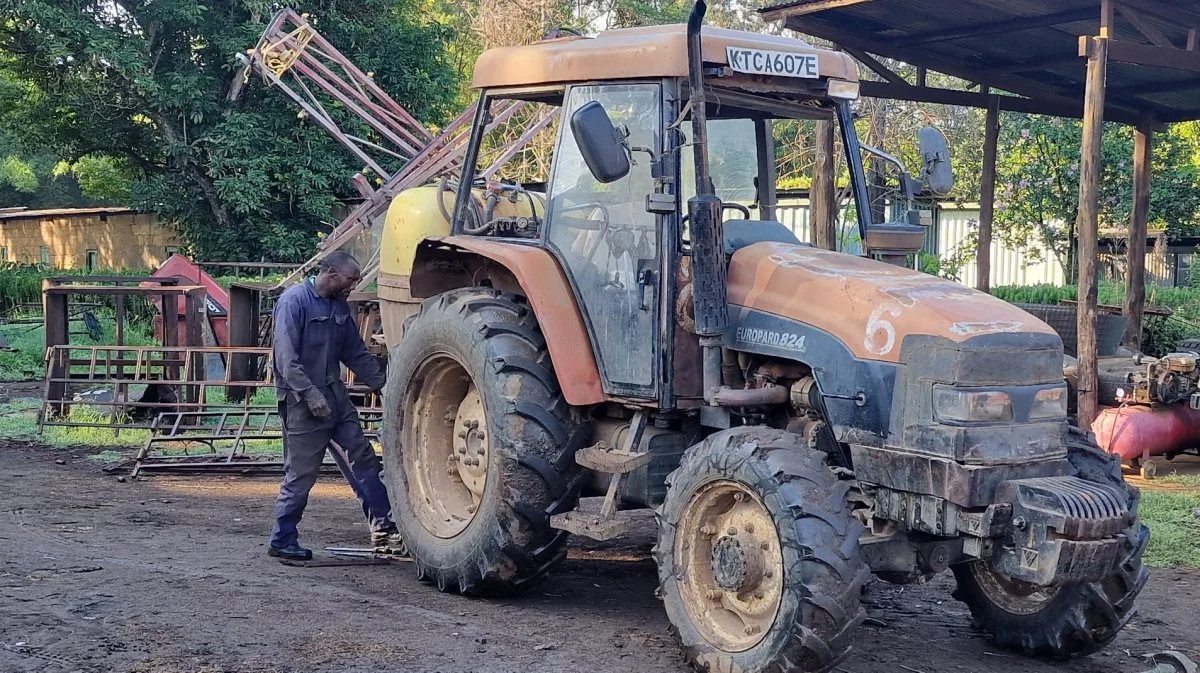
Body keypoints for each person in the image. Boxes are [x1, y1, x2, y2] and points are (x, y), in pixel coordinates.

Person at [267, 250, 401, 561]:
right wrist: (310, 396)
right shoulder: (294, 302)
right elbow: (286, 360)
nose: (353, 286)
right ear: (331, 273)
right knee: (302, 474)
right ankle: (282, 539)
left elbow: (355, 353)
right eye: (350, 280)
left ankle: (384, 528)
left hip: (335, 398)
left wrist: (386, 387)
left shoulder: (340, 306)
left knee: (364, 457)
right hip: (301, 402)